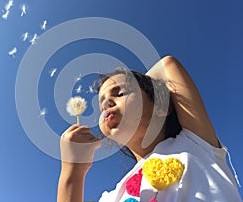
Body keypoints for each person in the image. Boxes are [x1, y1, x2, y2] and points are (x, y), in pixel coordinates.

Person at [57, 55, 242, 202]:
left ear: (161, 107)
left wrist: (146, 85)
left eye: (120, 93)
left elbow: (167, 66)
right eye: (101, 105)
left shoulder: (195, 143)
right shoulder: (111, 197)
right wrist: (72, 172)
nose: (106, 103)